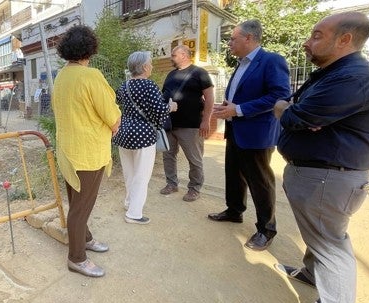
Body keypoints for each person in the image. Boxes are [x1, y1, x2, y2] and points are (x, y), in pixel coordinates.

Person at [274, 12, 369, 303]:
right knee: (319, 234)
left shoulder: (354, 78)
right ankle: (311, 273)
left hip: (329, 177)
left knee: (329, 244)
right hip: (322, 175)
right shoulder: (334, 73)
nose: (308, 42)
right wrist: (294, 111)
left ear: (345, 39)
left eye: (317, 35)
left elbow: (297, 114)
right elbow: (299, 111)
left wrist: (289, 111)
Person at [209, 20, 290, 251]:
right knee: (233, 174)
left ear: (248, 38)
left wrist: (239, 109)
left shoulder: (271, 60)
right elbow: (245, 95)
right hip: (236, 129)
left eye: (233, 39)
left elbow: (280, 95)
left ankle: (266, 229)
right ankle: (234, 211)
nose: (229, 43)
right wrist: (229, 105)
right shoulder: (241, 64)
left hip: (257, 133)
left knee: (260, 182)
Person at [51, 25, 121, 278]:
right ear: (90, 49)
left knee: (77, 204)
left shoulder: (62, 76)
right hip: (88, 152)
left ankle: (86, 238)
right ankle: (77, 257)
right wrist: (114, 124)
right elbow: (112, 116)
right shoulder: (91, 76)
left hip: (68, 151)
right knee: (81, 208)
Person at [113, 51, 177, 224]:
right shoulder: (149, 85)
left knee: (130, 173)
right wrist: (171, 107)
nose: (152, 66)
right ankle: (134, 214)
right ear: (144, 67)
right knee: (142, 175)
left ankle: (129, 203)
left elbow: (116, 103)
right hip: (143, 135)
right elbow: (159, 110)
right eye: (150, 63)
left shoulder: (124, 85)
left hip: (123, 133)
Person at [160, 45, 214, 202]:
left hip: (191, 125)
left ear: (184, 55)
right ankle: (171, 184)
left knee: (194, 158)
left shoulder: (199, 73)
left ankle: (194, 188)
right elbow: (165, 97)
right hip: (169, 124)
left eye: (174, 55)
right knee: (168, 156)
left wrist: (206, 120)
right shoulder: (171, 74)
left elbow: (209, 98)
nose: (171, 58)